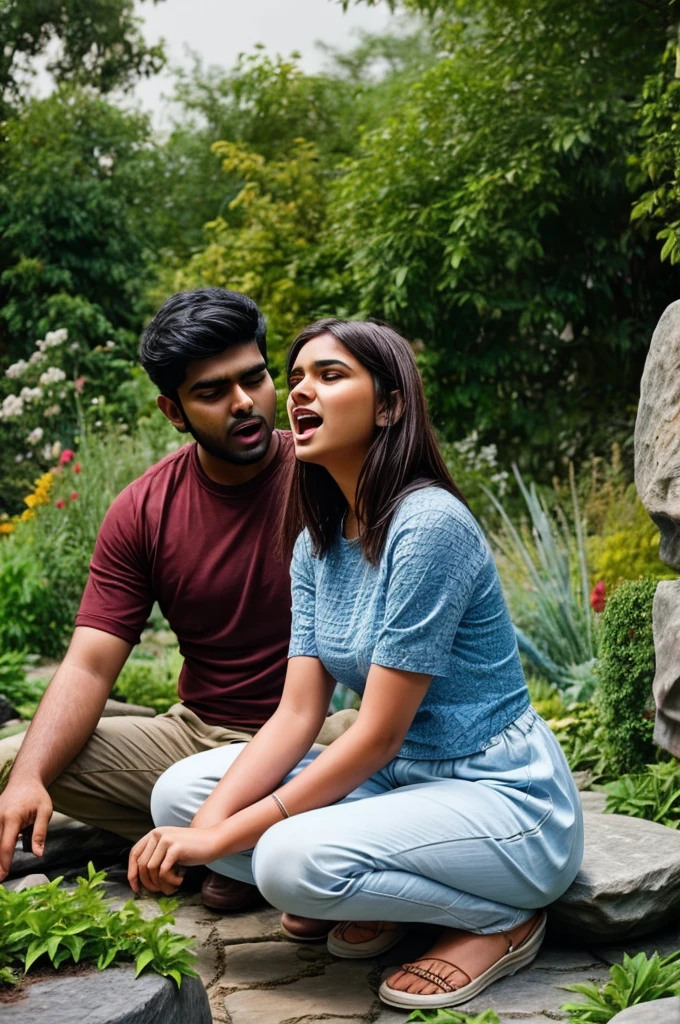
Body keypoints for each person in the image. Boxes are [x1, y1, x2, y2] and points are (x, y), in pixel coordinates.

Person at [127, 318, 584, 1011]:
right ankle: (391, 895)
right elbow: (298, 715)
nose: (302, 391)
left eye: (331, 375)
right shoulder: (318, 544)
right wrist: (200, 833)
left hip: (502, 797)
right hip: (401, 787)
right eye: (299, 376)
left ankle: (497, 920)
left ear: (390, 405)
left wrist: (222, 839)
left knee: (284, 861)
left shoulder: (428, 526)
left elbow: (375, 735)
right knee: (179, 798)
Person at [0, 288, 304, 913]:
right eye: (212, 391)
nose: (244, 403)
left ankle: (215, 847)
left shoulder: (327, 472)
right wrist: (29, 778)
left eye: (255, 378)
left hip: (316, 734)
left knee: (400, 753)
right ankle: (215, 846)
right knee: (11, 761)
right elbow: (89, 665)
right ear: (174, 410)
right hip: (198, 740)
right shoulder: (144, 509)